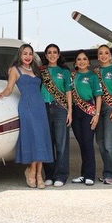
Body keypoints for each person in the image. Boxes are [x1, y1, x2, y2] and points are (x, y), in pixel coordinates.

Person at [0, 44, 53, 189]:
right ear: (20, 55)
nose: (28, 56)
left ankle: (38, 174)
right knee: (34, 139)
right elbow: (9, 88)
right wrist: (2, 94)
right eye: (25, 53)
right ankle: (32, 171)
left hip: (40, 106)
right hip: (27, 106)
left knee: (41, 139)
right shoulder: (15, 69)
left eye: (30, 54)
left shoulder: (37, 70)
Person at [40, 43, 72, 187]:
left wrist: (70, 111)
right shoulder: (41, 71)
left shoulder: (64, 72)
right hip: (44, 108)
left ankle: (61, 175)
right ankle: (49, 174)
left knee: (61, 143)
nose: (52, 55)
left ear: (58, 55)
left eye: (55, 52)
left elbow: (68, 92)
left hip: (60, 108)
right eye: (49, 52)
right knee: (47, 143)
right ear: (46, 56)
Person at [70, 50, 102, 186]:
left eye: (84, 59)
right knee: (82, 144)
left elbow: (98, 97)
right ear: (75, 62)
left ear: (88, 62)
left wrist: (97, 115)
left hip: (88, 110)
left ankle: (90, 175)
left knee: (88, 144)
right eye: (79, 59)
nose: (82, 62)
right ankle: (84, 174)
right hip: (75, 111)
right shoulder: (72, 76)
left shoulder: (93, 76)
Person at [94, 44, 112, 185]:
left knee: (109, 144)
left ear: (110, 56)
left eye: (106, 53)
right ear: (98, 56)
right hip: (98, 108)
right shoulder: (95, 72)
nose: (103, 55)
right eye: (100, 53)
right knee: (100, 142)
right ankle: (107, 172)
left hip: (111, 107)